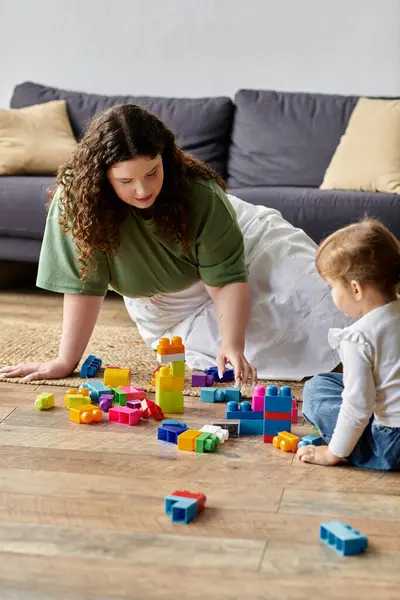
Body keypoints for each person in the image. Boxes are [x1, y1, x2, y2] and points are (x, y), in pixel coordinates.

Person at [0, 104, 347, 385]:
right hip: (169, 303)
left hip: (247, 245)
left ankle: (378, 343)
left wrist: (232, 342)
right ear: (101, 178)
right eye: (126, 180)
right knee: (261, 348)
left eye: (152, 172)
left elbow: (225, 280)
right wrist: (65, 360)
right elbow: (83, 286)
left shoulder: (197, 192)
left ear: (165, 157)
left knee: (318, 293)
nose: (142, 190)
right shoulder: (78, 202)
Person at [297, 219, 400, 470]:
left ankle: (357, 448)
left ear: (355, 289)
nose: (331, 293)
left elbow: (357, 405)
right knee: (325, 381)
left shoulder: (359, 337)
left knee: (315, 391)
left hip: (391, 444)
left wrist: (332, 453)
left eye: (332, 286)